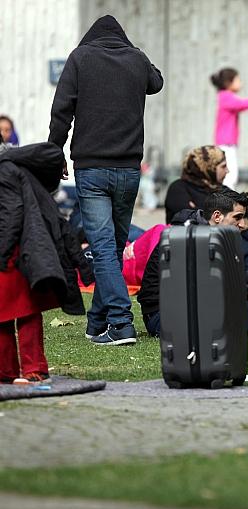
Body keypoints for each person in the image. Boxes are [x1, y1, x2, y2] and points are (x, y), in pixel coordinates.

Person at [48, 15, 163, 346]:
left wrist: (54, 155)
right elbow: (156, 82)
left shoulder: (80, 57)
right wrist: (136, 52)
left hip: (92, 168)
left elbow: (61, 110)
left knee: (102, 248)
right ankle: (97, 322)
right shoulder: (137, 59)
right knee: (111, 247)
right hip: (129, 170)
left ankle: (121, 322)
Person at [0, 142, 92, 384]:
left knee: (18, 310)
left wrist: (3, 251)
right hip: (22, 247)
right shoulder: (12, 166)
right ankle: (19, 370)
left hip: (16, 250)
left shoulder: (4, 168)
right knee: (17, 310)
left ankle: (23, 370)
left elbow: (12, 213)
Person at [137, 188, 248, 339]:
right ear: (217, 216)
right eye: (238, 217)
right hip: (163, 314)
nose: (243, 224)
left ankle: (237, 326)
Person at [211, 68, 248, 190]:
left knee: (231, 174)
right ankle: (226, 201)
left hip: (228, 143)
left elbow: (243, 104)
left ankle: (227, 200)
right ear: (228, 83)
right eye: (238, 80)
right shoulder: (225, 97)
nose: (241, 83)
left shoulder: (226, 97)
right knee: (230, 175)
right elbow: (243, 104)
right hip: (225, 144)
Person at [164, 145, 228, 223]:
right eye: (223, 166)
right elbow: (188, 218)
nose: (227, 171)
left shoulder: (223, 190)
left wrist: (198, 210)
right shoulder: (178, 188)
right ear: (208, 167)